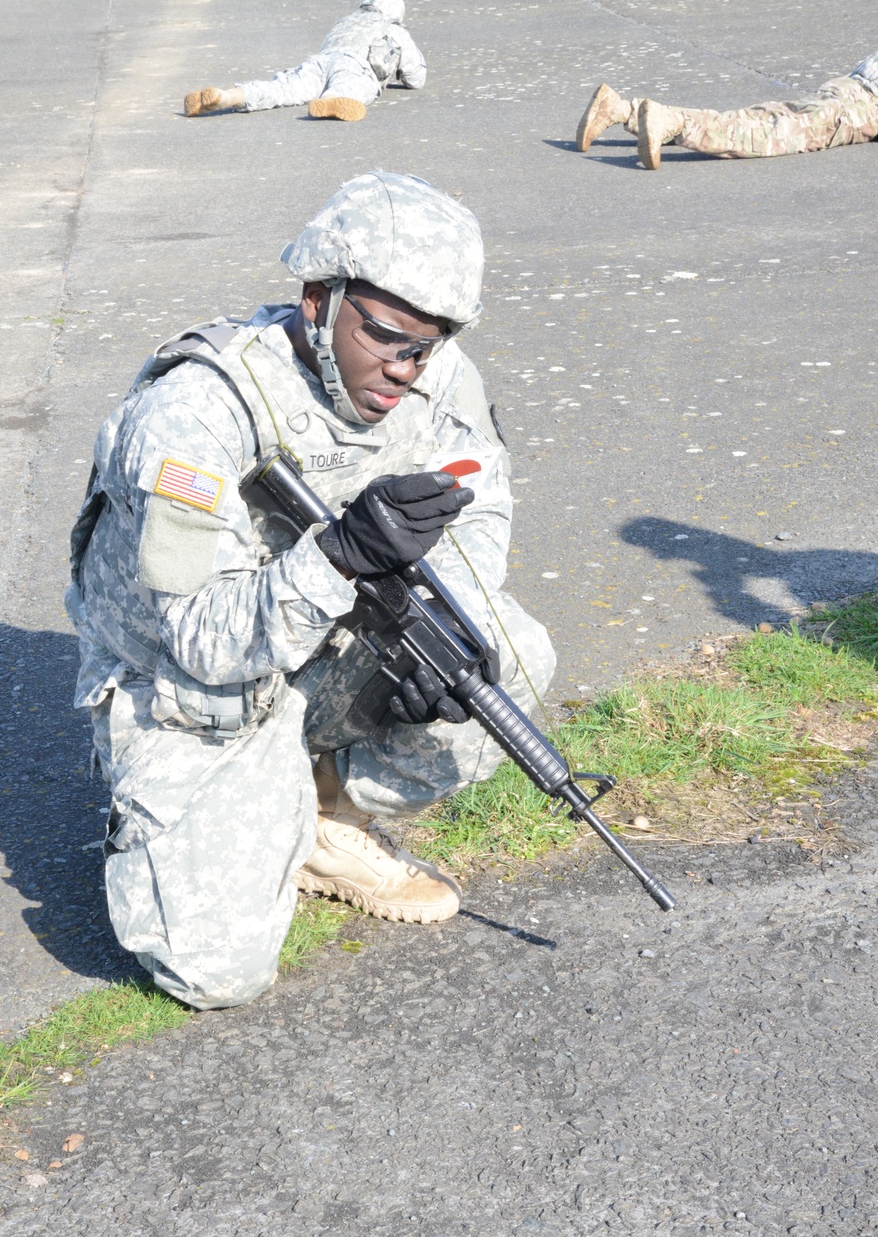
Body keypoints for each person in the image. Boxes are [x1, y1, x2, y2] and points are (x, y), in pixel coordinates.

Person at [66, 172, 555, 1010]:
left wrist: (447, 624)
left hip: (316, 637)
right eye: (392, 338)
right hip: (189, 685)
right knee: (216, 970)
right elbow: (203, 642)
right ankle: (245, 804)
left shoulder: (438, 373)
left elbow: (483, 513)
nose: (408, 369)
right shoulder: (197, 411)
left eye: (430, 344)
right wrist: (338, 556)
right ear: (316, 301)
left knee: (502, 653)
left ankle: (322, 814)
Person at [576, 36, 878, 170]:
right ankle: (674, 123)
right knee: (768, 136)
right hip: (865, 108)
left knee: (751, 119)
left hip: (852, 91)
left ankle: (620, 109)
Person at [184, 0, 427, 123]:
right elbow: (416, 78)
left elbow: (326, 48)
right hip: (354, 66)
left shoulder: (345, 21)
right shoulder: (393, 29)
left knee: (284, 88)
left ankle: (230, 96)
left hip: (320, 61)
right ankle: (334, 98)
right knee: (351, 86)